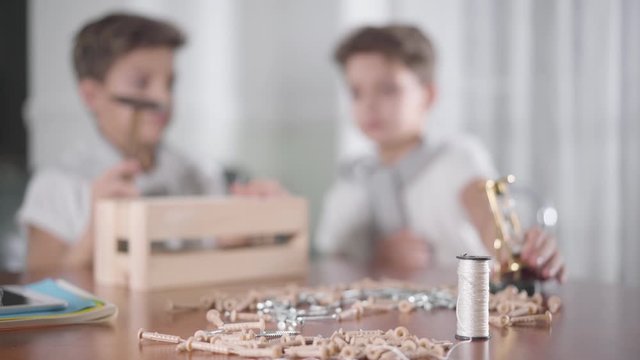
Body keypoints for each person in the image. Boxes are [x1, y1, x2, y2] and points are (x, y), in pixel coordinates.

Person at [17, 13, 284, 271]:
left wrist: (252, 228)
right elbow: (41, 290)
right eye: (141, 83)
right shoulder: (58, 186)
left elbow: (219, 265)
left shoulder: (200, 174)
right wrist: (95, 232)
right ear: (91, 96)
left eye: (170, 83)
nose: (163, 99)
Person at [316, 25, 565, 282]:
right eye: (356, 92)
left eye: (388, 89)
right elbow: (330, 259)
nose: (369, 104)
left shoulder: (457, 159)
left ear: (428, 95)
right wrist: (377, 259)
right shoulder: (351, 179)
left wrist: (519, 252)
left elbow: (488, 220)